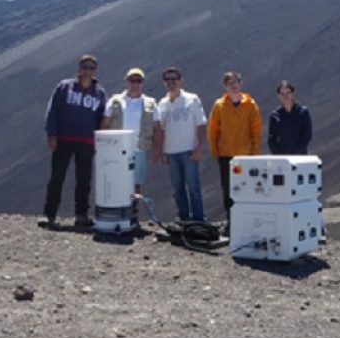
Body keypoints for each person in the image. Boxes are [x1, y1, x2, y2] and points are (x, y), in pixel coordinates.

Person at [43, 55, 108, 227]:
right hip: (63, 139)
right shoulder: (64, 87)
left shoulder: (100, 93)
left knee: (84, 179)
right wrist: (51, 134)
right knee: (57, 177)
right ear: (79, 69)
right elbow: (53, 111)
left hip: (87, 141)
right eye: (85, 67)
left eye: (91, 68)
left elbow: (102, 118)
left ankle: (81, 215)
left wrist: (101, 139)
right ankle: (49, 215)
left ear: (95, 71)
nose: (88, 71)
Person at [208, 71, 262, 223]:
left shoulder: (250, 105)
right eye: (230, 83)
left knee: (247, 188)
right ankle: (231, 220)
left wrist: (255, 151)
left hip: (245, 155)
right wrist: (214, 149)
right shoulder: (219, 106)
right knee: (228, 189)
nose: (233, 85)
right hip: (226, 154)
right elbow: (213, 130)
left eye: (236, 82)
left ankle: (247, 219)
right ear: (225, 86)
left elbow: (256, 129)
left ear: (241, 83)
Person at [156, 67, 207, 221]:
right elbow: (162, 129)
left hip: (188, 150)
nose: (171, 82)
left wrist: (198, 149)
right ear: (164, 82)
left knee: (193, 187)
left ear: (180, 80)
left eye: (174, 79)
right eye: (168, 80)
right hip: (171, 152)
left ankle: (199, 219)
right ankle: (183, 217)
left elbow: (201, 124)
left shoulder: (192, 99)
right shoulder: (163, 103)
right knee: (177, 189)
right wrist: (163, 151)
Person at [101, 67, 162, 193]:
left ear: (142, 83)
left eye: (138, 81)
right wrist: (103, 148)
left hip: (139, 149)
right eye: (132, 80)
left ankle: (133, 210)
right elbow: (105, 125)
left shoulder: (150, 104)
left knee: (136, 183)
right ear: (126, 82)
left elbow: (157, 128)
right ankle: (117, 209)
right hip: (117, 149)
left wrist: (158, 150)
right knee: (116, 180)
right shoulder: (115, 101)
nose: (135, 84)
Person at [267, 80, 312, 155]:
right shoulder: (275, 116)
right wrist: (279, 155)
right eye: (282, 94)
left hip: (300, 158)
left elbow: (307, 136)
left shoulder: (303, 112)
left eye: (288, 93)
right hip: (282, 160)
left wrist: (296, 154)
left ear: (293, 93)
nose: (285, 96)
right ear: (278, 96)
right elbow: (271, 140)